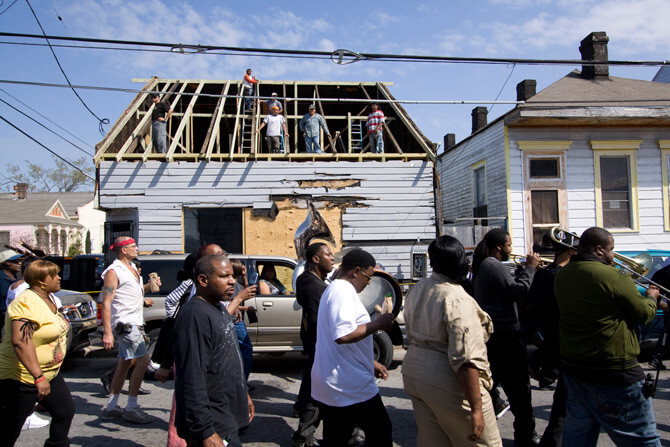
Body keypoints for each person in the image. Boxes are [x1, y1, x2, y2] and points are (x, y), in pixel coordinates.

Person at [554, 227, 661, 446]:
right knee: (642, 439)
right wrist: (651, 297)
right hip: (615, 371)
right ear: (600, 250)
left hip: (576, 368)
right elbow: (643, 314)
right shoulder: (613, 275)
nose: (614, 255)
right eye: (612, 250)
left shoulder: (561, 274)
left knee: (578, 437)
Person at [402, 236, 502, 447]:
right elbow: (465, 359)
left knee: (434, 441)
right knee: (483, 443)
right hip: (445, 373)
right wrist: (476, 408)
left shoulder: (418, 288)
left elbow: (410, 330)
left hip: (414, 369)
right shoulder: (457, 298)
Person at [311, 248, 395, 447]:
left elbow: (338, 335)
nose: (368, 283)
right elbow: (343, 335)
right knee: (381, 433)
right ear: (355, 271)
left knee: (338, 436)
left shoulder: (336, 289)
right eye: (368, 277)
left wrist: (371, 362)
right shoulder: (342, 291)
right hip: (347, 384)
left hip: (338, 381)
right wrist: (378, 324)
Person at [173, 254, 255, 446]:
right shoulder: (194, 316)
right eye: (224, 276)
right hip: (212, 424)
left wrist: (244, 394)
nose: (232, 281)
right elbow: (191, 378)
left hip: (226, 415)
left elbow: (228, 358)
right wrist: (205, 431)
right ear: (203, 280)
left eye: (233, 276)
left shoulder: (216, 308)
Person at [472, 228, 540, 447]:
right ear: (499, 246)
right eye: (509, 245)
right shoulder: (492, 265)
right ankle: (525, 437)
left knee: (494, 386)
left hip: (494, 337)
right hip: (506, 336)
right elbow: (517, 292)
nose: (512, 249)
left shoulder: (485, 265)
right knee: (521, 393)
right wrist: (530, 269)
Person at [0, 260, 75, 447]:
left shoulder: (47, 298)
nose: (59, 278)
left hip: (50, 373)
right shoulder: (27, 303)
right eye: (54, 275)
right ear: (41, 281)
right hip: (22, 377)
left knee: (64, 411)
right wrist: (38, 377)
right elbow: (21, 341)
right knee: (9, 428)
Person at [100, 237, 159, 424]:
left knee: (125, 363)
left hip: (135, 322)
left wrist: (150, 286)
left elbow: (130, 294)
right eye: (133, 246)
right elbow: (107, 301)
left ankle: (111, 406)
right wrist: (107, 331)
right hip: (125, 324)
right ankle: (131, 407)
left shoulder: (133, 269)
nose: (137, 248)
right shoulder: (113, 271)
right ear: (123, 250)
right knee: (143, 361)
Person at [524, 240, 575, 447]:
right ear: (571, 250)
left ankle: (552, 439)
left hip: (551, 338)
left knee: (564, 399)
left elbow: (532, 304)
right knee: (566, 400)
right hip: (566, 340)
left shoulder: (545, 274)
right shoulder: (564, 275)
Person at [292, 242, 335, 447]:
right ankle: (303, 437)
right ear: (315, 259)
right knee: (316, 393)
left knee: (314, 390)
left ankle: (305, 435)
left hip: (316, 347)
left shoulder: (306, 279)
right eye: (328, 254)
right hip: (320, 347)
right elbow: (319, 321)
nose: (332, 258)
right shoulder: (314, 285)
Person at [229, 258, 257, 381]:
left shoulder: (236, 283)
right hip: (234, 320)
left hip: (237, 319)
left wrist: (245, 276)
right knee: (246, 349)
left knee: (240, 351)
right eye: (241, 267)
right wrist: (246, 308)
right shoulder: (231, 284)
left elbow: (246, 291)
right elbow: (229, 303)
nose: (243, 268)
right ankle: (242, 382)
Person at [648, 264, 670, 370]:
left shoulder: (663, 272)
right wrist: (664, 306)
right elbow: (654, 293)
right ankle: (656, 359)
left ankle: (656, 359)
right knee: (667, 334)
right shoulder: (665, 273)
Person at [0, 249, 22, 332]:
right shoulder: (1, 280)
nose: (19, 263)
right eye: (15, 261)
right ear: (6, 264)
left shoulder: (16, 279)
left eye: (19, 261)